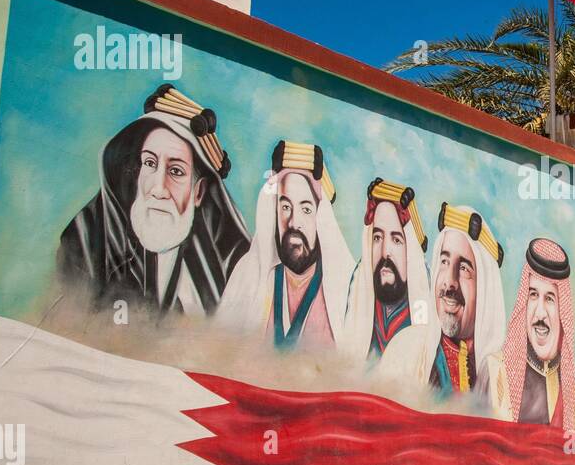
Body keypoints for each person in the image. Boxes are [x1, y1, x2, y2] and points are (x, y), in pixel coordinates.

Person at [58, 84, 249, 317]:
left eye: (176, 171)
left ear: (198, 193)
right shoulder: (85, 242)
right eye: (149, 163)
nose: (159, 189)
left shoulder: (225, 265)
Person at [218, 141, 357, 351]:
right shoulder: (248, 275)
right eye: (285, 207)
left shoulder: (345, 287)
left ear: (321, 218)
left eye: (306, 209)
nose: (293, 222)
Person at [377, 202, 506, 398]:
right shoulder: (405, 352)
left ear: (485, 289)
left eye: (464, 268)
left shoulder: (502, 380)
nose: (449, 282)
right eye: (444, 262)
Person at [482, 238, 575, 435]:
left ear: (562, 310)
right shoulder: (495, 372)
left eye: (550, 299)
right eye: (532, 295)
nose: (540, 314)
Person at [351, 178, 431, 363]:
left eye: (396, 240)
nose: (385, 252)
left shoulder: (421, 314)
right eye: (377, 237)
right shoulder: (362, 309)